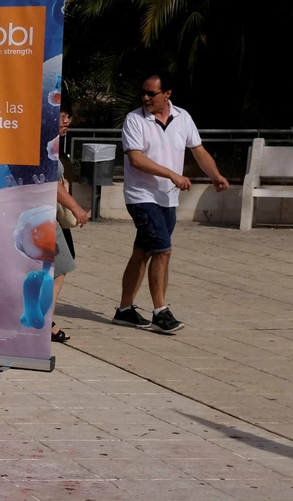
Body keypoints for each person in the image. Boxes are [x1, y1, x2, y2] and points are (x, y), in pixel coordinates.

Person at [113, 73, 228, 335]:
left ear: (167, 94)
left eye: (151, 93)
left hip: (168, 199)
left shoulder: (183, 117)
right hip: (142, 197)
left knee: (143, 252)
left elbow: (198, 150)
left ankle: (124, 310)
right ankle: (160, 312)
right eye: (143, 92)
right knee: (163, 250)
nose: (145, 98)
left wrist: (215, 175)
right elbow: (136, 160)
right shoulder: (135, 120)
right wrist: (173, 174)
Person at [52, 107, 91, 344]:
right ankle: (43, 322)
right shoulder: (42, 144)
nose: (66, 121)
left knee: (60, 265)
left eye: (69, 116)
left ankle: (44, 320)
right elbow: (49, 182)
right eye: (62, 115)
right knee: (60, 266)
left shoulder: (51, 144)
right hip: (42, 216)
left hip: (48, 215)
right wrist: (75, 207)